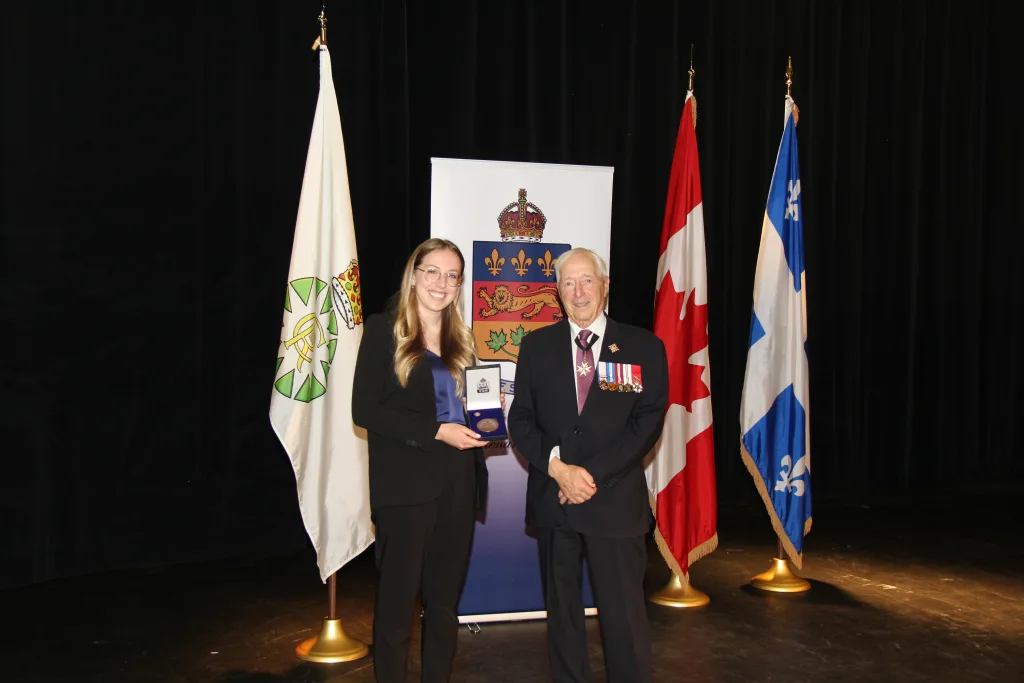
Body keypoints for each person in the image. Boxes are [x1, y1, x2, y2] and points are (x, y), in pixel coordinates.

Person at [507, 247, 668, 683]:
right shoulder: (536, 346)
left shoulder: (643, 347)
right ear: (557, 292)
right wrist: (559, 470)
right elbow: (519, 419)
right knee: (562, 617)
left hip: (613, 504)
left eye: (587, 281)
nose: (579, 292)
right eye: (568, 283)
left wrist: (589, 475)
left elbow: (647, 421)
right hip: (554, 501)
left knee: (624, 618)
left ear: (605, 285)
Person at [352, 237, 492, 683]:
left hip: (459, 484)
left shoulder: (463, 337)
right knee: (397, 607)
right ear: (414, 274)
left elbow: (466, 403)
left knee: (445, 604)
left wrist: (486, 421)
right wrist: (436, 431)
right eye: (432, 271)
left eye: (452, 275)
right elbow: (366, 410)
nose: (441, 282)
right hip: (406, 489)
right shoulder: (383, 328)